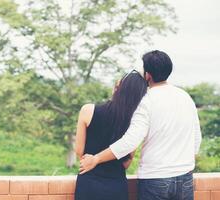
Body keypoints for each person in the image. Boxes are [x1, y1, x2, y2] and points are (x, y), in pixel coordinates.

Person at [79, 50, 202, 200]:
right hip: (185, 177)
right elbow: (196, 137)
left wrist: (96, 159)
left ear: (148, 75)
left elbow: (130, 141)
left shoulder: (146, 101)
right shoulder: (185, 96)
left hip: (155, 179)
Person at [74, 70, 148, 200]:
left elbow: (79, 151)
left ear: (117, 88)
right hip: (116, 185)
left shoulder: (88, 110)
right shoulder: (135, 123)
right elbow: (127, 162)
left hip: (88, 182)